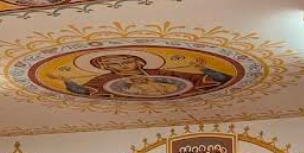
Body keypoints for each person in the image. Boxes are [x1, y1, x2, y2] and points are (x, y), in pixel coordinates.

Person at [64, 53, 230, 99]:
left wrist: (211, 76)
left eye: (127, 60)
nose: (122, 65)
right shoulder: (102, 80)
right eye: (114, 63)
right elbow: (92, 90)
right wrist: (81, 90)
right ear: (105, 67)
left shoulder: (157, 73)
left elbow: (187, 78)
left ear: (138, 62)